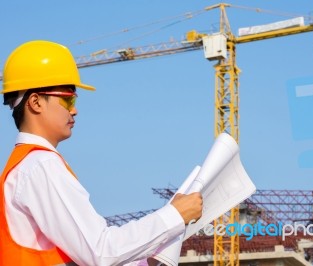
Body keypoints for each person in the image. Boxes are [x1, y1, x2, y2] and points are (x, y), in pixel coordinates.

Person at [0, 40, 203, 266]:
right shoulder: (41, 165)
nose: (74, 110)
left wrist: (149, 258)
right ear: (36, 102)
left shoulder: (26, 165)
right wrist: (174, 216)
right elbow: (100, 252)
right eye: (68, 99)